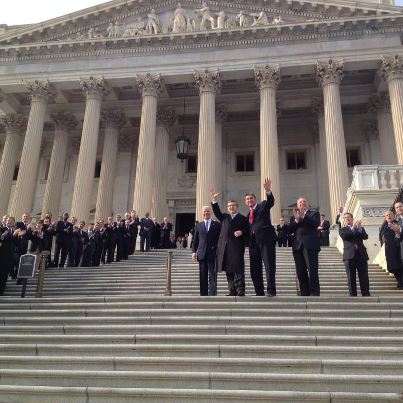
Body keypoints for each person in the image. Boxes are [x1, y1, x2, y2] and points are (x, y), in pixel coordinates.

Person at [212, 189, 249, 297]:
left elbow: (248, 230)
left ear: (237, 207)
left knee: (238, 269)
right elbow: (216, 211)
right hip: (225, 248)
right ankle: (232, 290)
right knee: (228, 270)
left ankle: (240, 290)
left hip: (237, 247)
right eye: (229, 206)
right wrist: (214, 200)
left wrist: (241, 232)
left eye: (233, 205)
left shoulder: (242, 218)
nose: (231, 207)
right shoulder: (224, 217)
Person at [245, 178, 277, 297]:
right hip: (253, 243)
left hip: (266, 241)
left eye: (251, 198)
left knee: (269, 265)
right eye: (247, 199)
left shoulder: (263, 206)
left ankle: (271, 290)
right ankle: (259, 291)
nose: (249, 200)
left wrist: (268, 191)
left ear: (255, 199)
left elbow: (271, 202)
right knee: (254, 269)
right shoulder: (248, 214)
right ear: (246, 202)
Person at [288, 196, 321, 296]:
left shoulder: (314, 213)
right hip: (298, 246)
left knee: (312, 269)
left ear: (307, 204)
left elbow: (315, 224)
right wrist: (297, 220)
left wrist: (303, 217)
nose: (302, 203)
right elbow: (290, 229)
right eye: (300, 202)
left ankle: (314, 292)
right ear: (297, 205)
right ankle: (304, 293)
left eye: (304, 201)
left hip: (310, 245)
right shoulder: (294, 217)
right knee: (300, 271)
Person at [192, 206, 221, 296]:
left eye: (208, 211)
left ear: (211, 212)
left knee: (213, 275)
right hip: (202, 254)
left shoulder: (217, 225)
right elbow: (195, 240)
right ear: (202, 213)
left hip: (213, 253)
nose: (206, 213)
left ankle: (213, 293)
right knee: (203, 275)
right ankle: (203, 294)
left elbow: (220, 239)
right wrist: (193, 252)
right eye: (204, 211)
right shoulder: (198, 225)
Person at [339, 212, 370, 297]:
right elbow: (345, 236)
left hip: (361, 254)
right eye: (345, 218)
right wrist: (353, 228)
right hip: (349, 255)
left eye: (348, 217)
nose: (347, 219)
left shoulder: (360, 228)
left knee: (364, 276)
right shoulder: (342, 229)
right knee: (351, 277)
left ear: (352, 218)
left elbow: (365, 236)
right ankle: (353, 295)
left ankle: (366, 293)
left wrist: (359, 228)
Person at [379, 210, 403, 289]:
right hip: (388, 250)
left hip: (397, 249)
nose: (388, 216)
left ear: (393, 216)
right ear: (385, 217)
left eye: (390, 215)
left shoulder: (397, 223)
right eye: (387, 215)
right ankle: (400, 282)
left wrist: (397, 231)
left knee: (398, 266)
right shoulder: (384, 226)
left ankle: (400, 283)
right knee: (392, 268)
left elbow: (399, 236)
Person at [0, 217, 18, 295]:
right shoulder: (2, 229)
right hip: (2, 256)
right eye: (8, 221)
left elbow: (17, 243)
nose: (9, 222)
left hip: (10, 256)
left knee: (5, 274)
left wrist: (18, 236)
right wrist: (3, 236)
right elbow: (1, 239)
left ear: (14, 223)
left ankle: (2, 289)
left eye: (11, 221)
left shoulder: (14, 231)